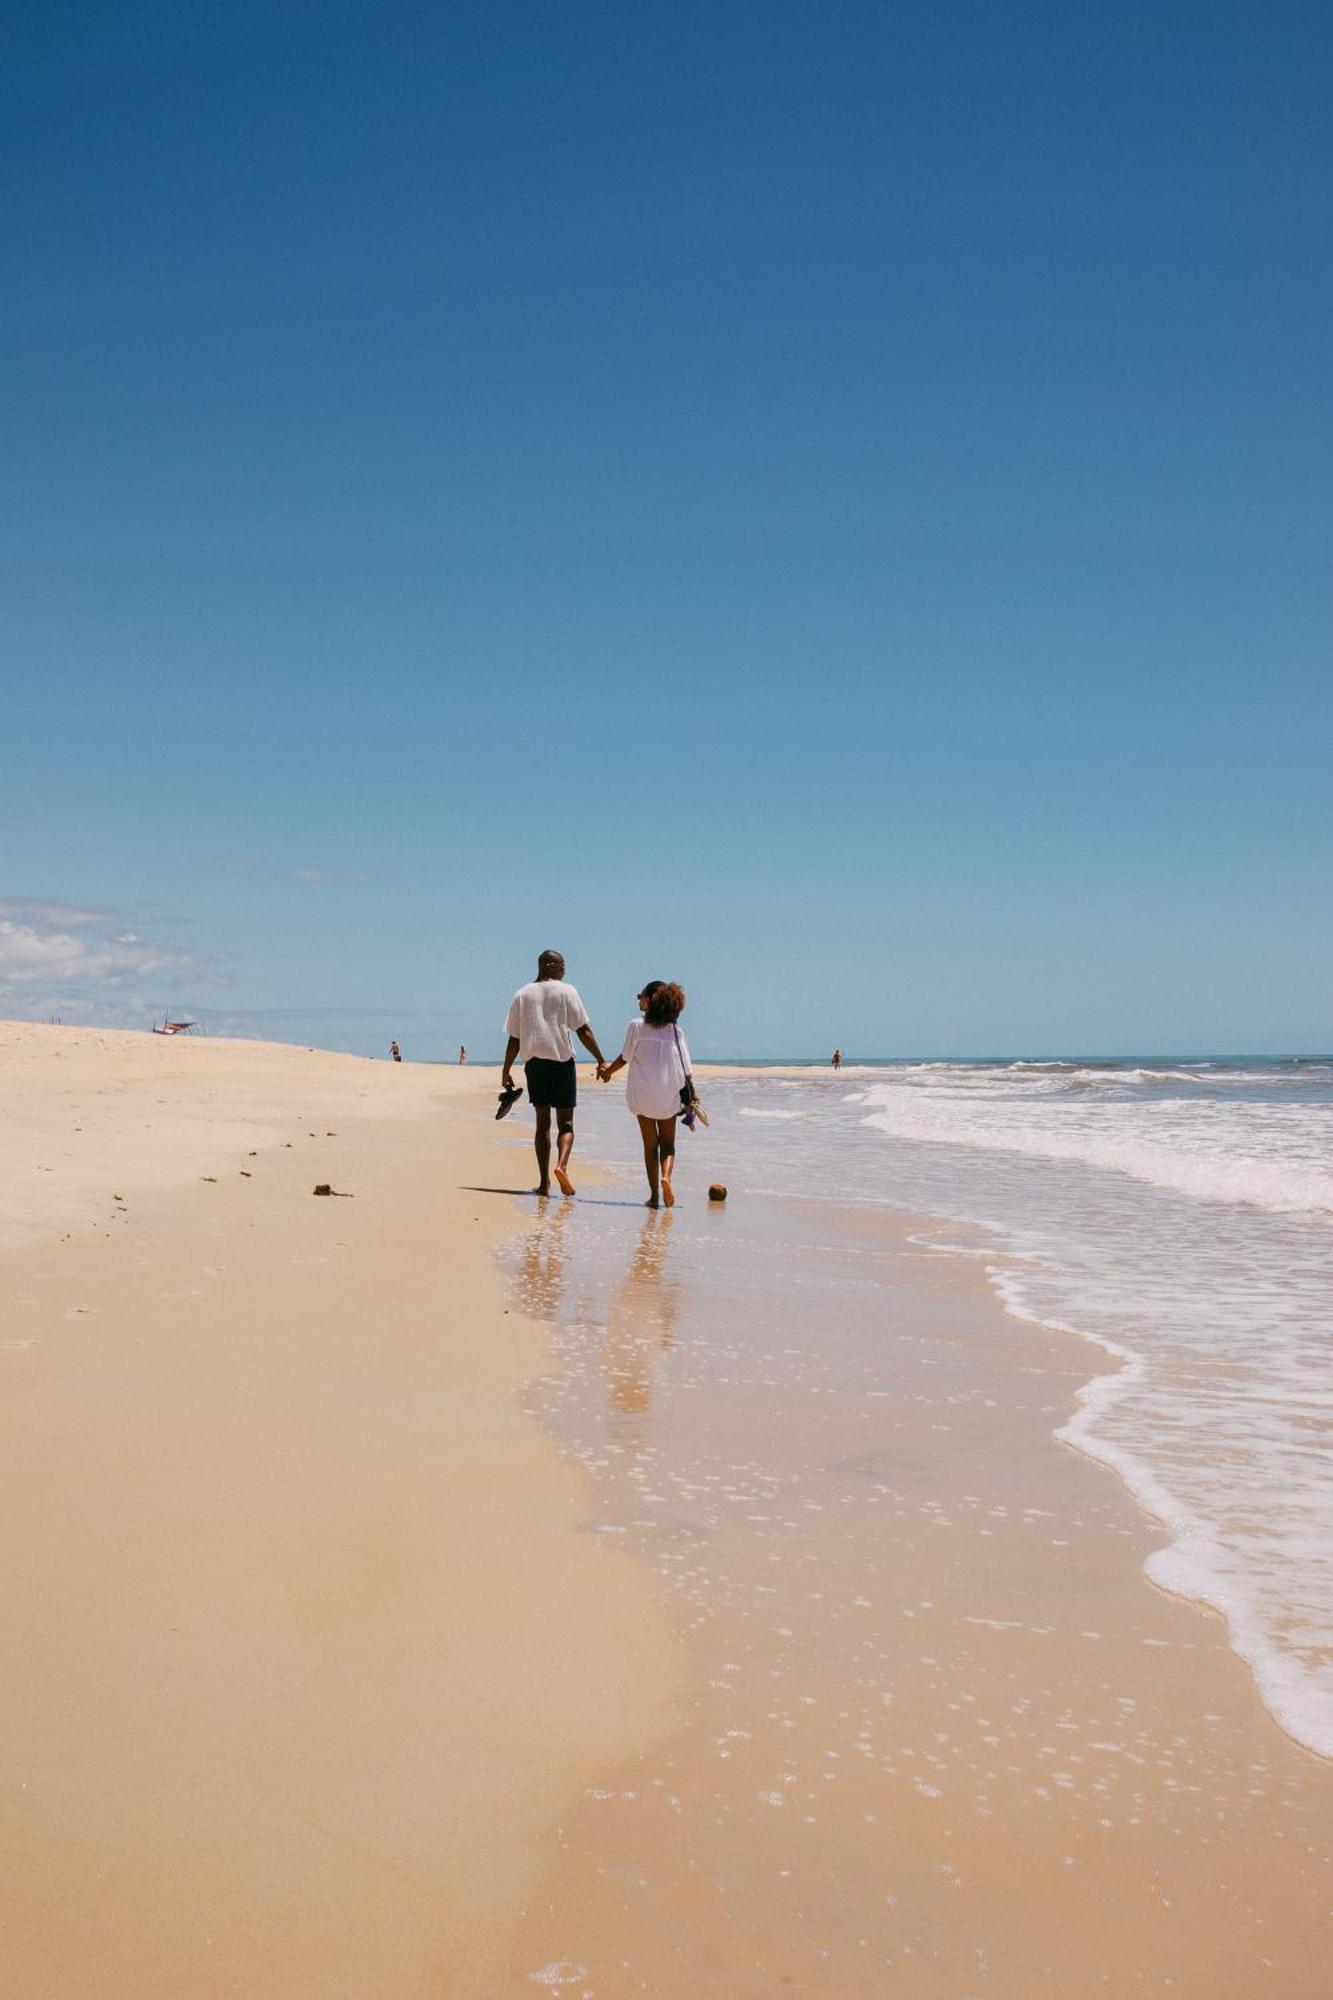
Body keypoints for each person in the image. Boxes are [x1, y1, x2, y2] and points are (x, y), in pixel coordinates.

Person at [501, 950, 609, 1198]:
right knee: (566, 1124)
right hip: (561, 1064)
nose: (564, 970)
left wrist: (506, 1070)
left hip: (535, 1065)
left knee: (542, 1126)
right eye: (561, 965)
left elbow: (514, 1039)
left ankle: (544, 1183)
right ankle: (561, 1166)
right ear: (549, 965)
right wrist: (601, 1060)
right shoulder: (566, 991)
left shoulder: (521, 994)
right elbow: (583, 1030)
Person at [599, 980, 692, 1209]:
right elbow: (686, 1069)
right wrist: (692, 1097)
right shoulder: (675, 1030)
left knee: (650, 1146)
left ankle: (653, 1197)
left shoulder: (636, 1026)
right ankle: (666, 1178)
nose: (638, 999)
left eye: (640, 995)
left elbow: (625, 1057)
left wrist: (607, 1072)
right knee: (668, 1145)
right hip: (668, 1093)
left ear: (650, 1000)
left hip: (643, 1094)